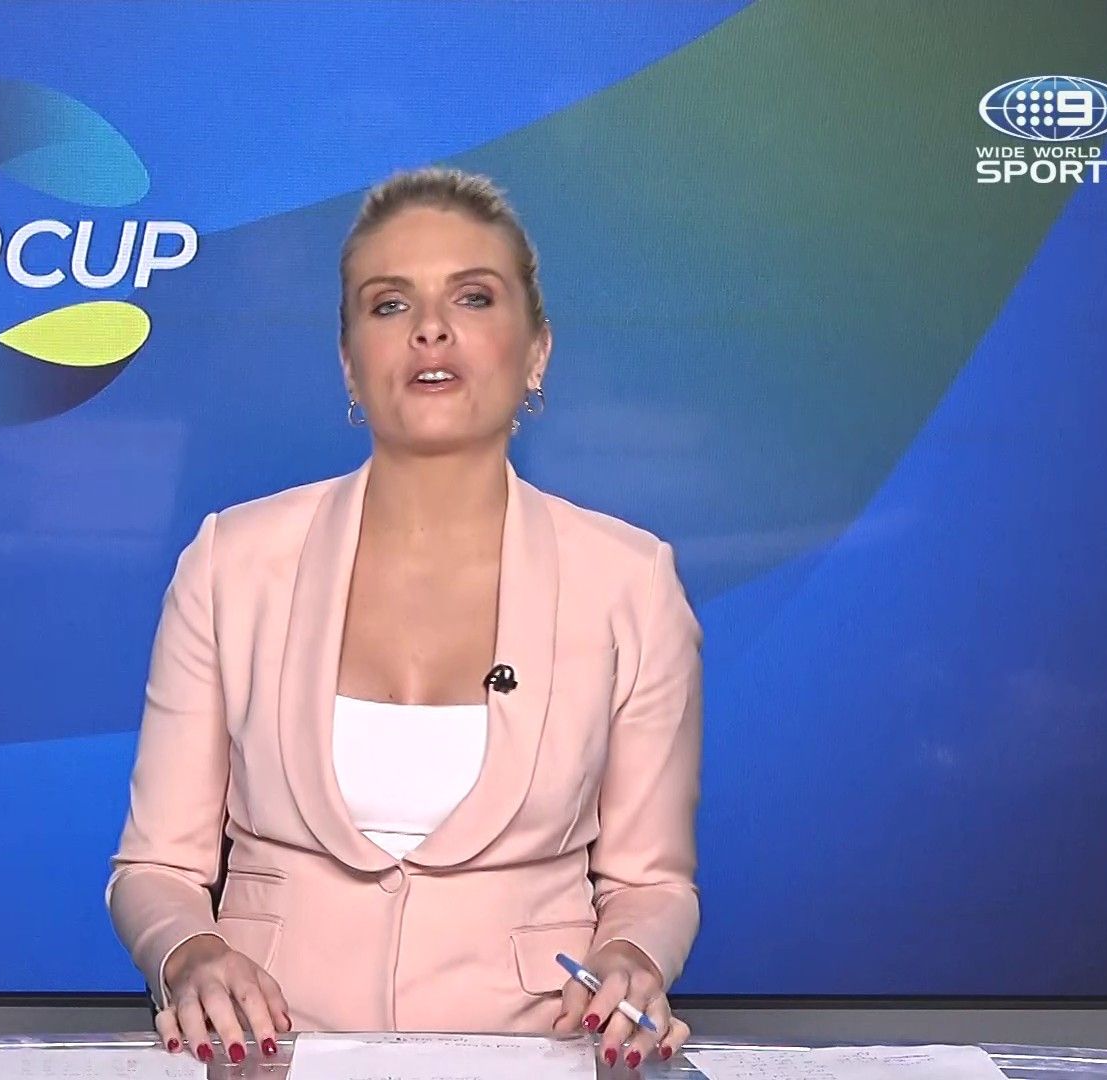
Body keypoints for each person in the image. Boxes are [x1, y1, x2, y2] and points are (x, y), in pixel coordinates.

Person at [105, 167, 701, 1072]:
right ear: (350, 362)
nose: (431, 328)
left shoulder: (631, 580)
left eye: (473, 296)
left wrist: (632, 960)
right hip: (272, 1058)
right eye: (390, 304)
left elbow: (652, 883)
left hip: (530, 1054)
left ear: (537, 350)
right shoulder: (231, 562)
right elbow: (155, 870)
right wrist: (190, 956)